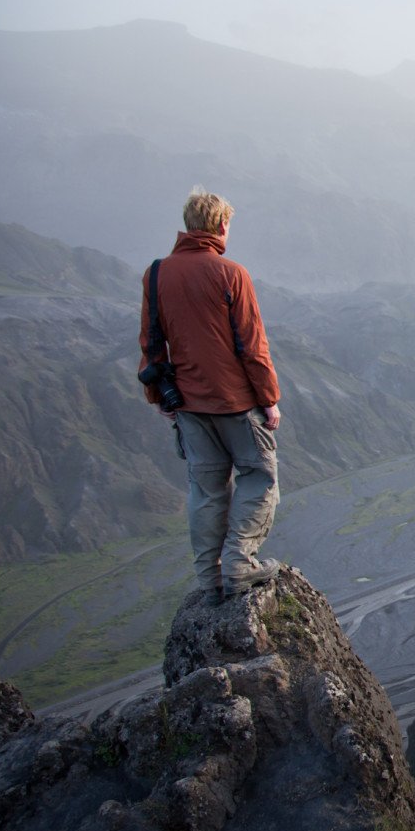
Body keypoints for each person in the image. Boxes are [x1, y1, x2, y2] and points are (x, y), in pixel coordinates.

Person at [139, 188, 283, 602]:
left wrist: (158, 396)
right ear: (221, 225)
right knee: (259, 477)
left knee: (205, 489)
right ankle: (240, 562)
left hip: (187, 403)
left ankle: (209, 579)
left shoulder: (156, 273)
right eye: (228, 224)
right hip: (236, 402)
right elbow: (252, 345)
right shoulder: (230, 273)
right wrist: (269, 398)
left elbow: (151, 341)